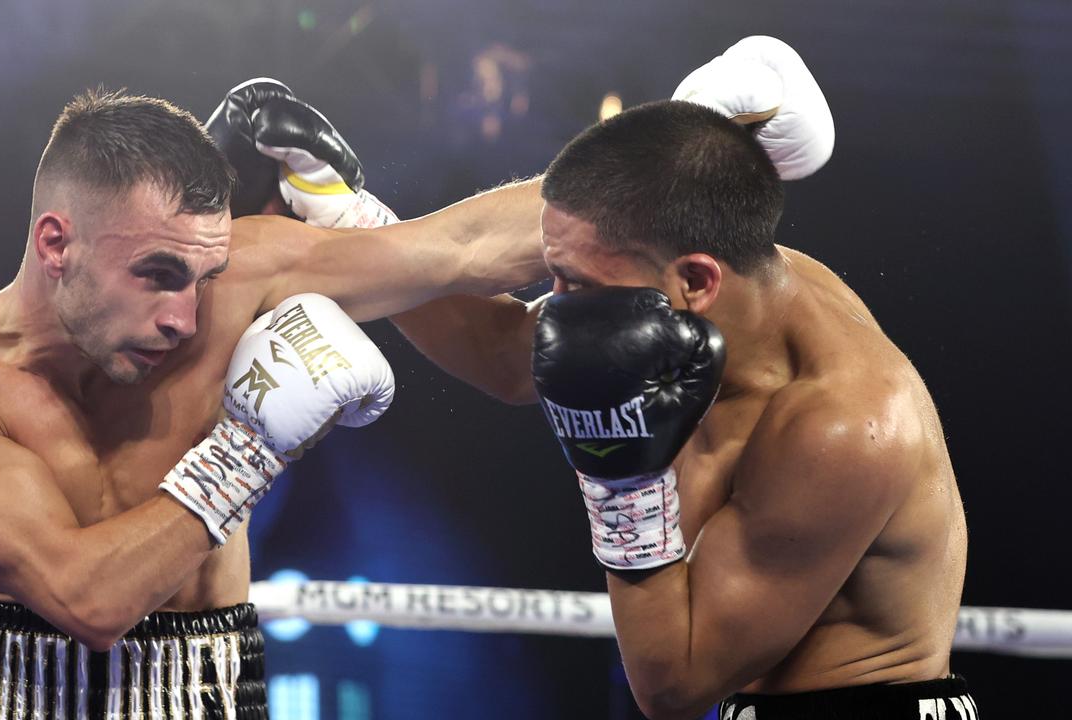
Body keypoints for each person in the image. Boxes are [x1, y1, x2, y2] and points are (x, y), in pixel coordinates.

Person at [0, 86, 547, 719]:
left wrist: (649, 165)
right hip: (19, 694)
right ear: (56, 243)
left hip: (213, 689)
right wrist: (246, 451)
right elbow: (88, 601)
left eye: (204, 277)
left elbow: (468, 245)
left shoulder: (238, 279)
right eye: (158, 276)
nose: (186, 318)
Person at [393, 37, 976, 719]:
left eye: (574, 283)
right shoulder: (732, 289)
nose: (555, 307)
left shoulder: (845, 424)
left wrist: (621, 477)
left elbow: (673, 685)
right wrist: (350, 221)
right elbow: (505, 354)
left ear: (696, 281)